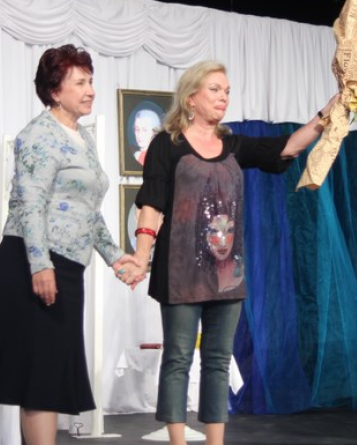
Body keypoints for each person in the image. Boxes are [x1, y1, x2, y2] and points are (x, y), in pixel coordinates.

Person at [116, 60, 340, 445]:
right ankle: (177, 441)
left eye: (227, 91)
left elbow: (286, 147)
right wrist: (141, 256)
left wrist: (326, 114)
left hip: (226, 273)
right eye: (215, 90)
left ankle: (215, 441)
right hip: (180, 271)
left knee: (218, 361)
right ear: (191, 98)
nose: (223, 97)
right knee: (178, 358)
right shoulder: (167, 145)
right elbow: (151, 203)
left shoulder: (233, 145)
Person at [0, 44, 139, 445]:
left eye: (90, 81)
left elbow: (87, 211)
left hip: (65, 264)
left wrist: (116, 258)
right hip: (31, 262)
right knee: (39, 377)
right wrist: (40, 265)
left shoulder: (82, 137)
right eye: (79, 82)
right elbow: (30, 203)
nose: (90, 90)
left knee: (47, 376)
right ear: (54, 90)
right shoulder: (39, 135)